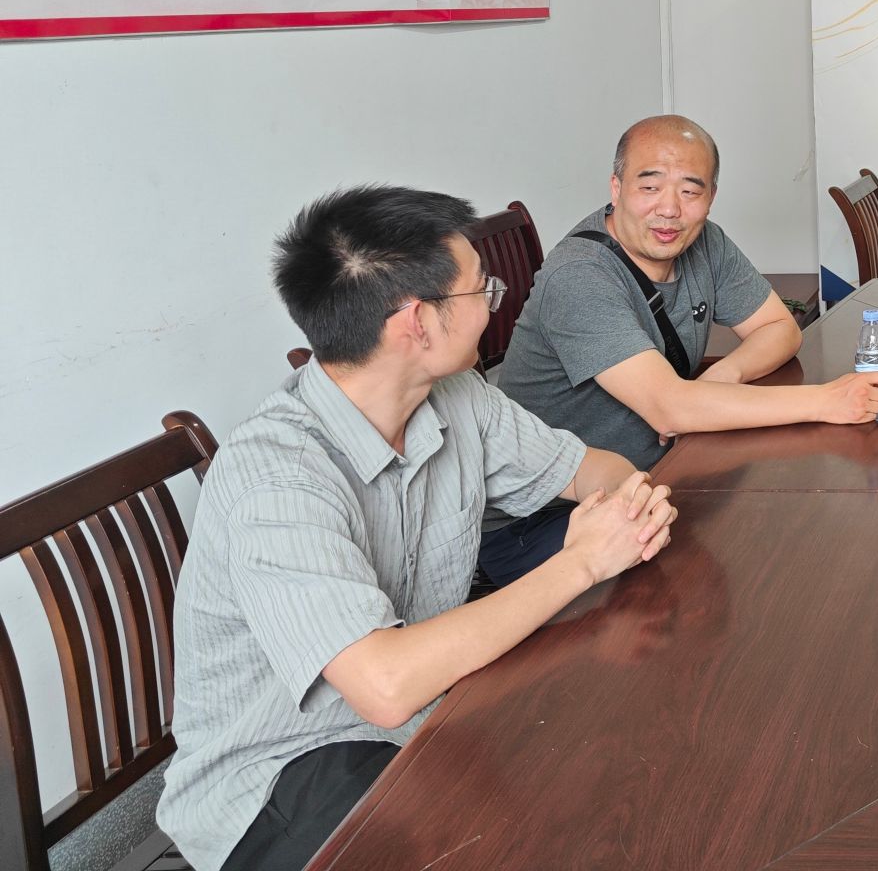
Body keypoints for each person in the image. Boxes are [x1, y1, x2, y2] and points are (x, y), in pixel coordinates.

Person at [158, 187, 678, 871]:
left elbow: (588, 469)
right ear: (417, 322)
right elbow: (385, 686)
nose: (494, 302)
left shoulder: (457, 398)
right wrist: (581, 561)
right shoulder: (277, 477)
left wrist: (626, 501)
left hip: (422, 724)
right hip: (279, 774)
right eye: (481, 288)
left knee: (618, 771)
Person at [484, 115, 878, 579]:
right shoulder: (580, 276)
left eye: (690, 191)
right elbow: (670, 410)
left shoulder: (704, 241)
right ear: (616, 188)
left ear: (711, 197)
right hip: (543, 518)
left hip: (659, 477)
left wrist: (726, 373)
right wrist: (826, 400)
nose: (670, 209)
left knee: (797, 538)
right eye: (649, 187)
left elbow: (780, 327)